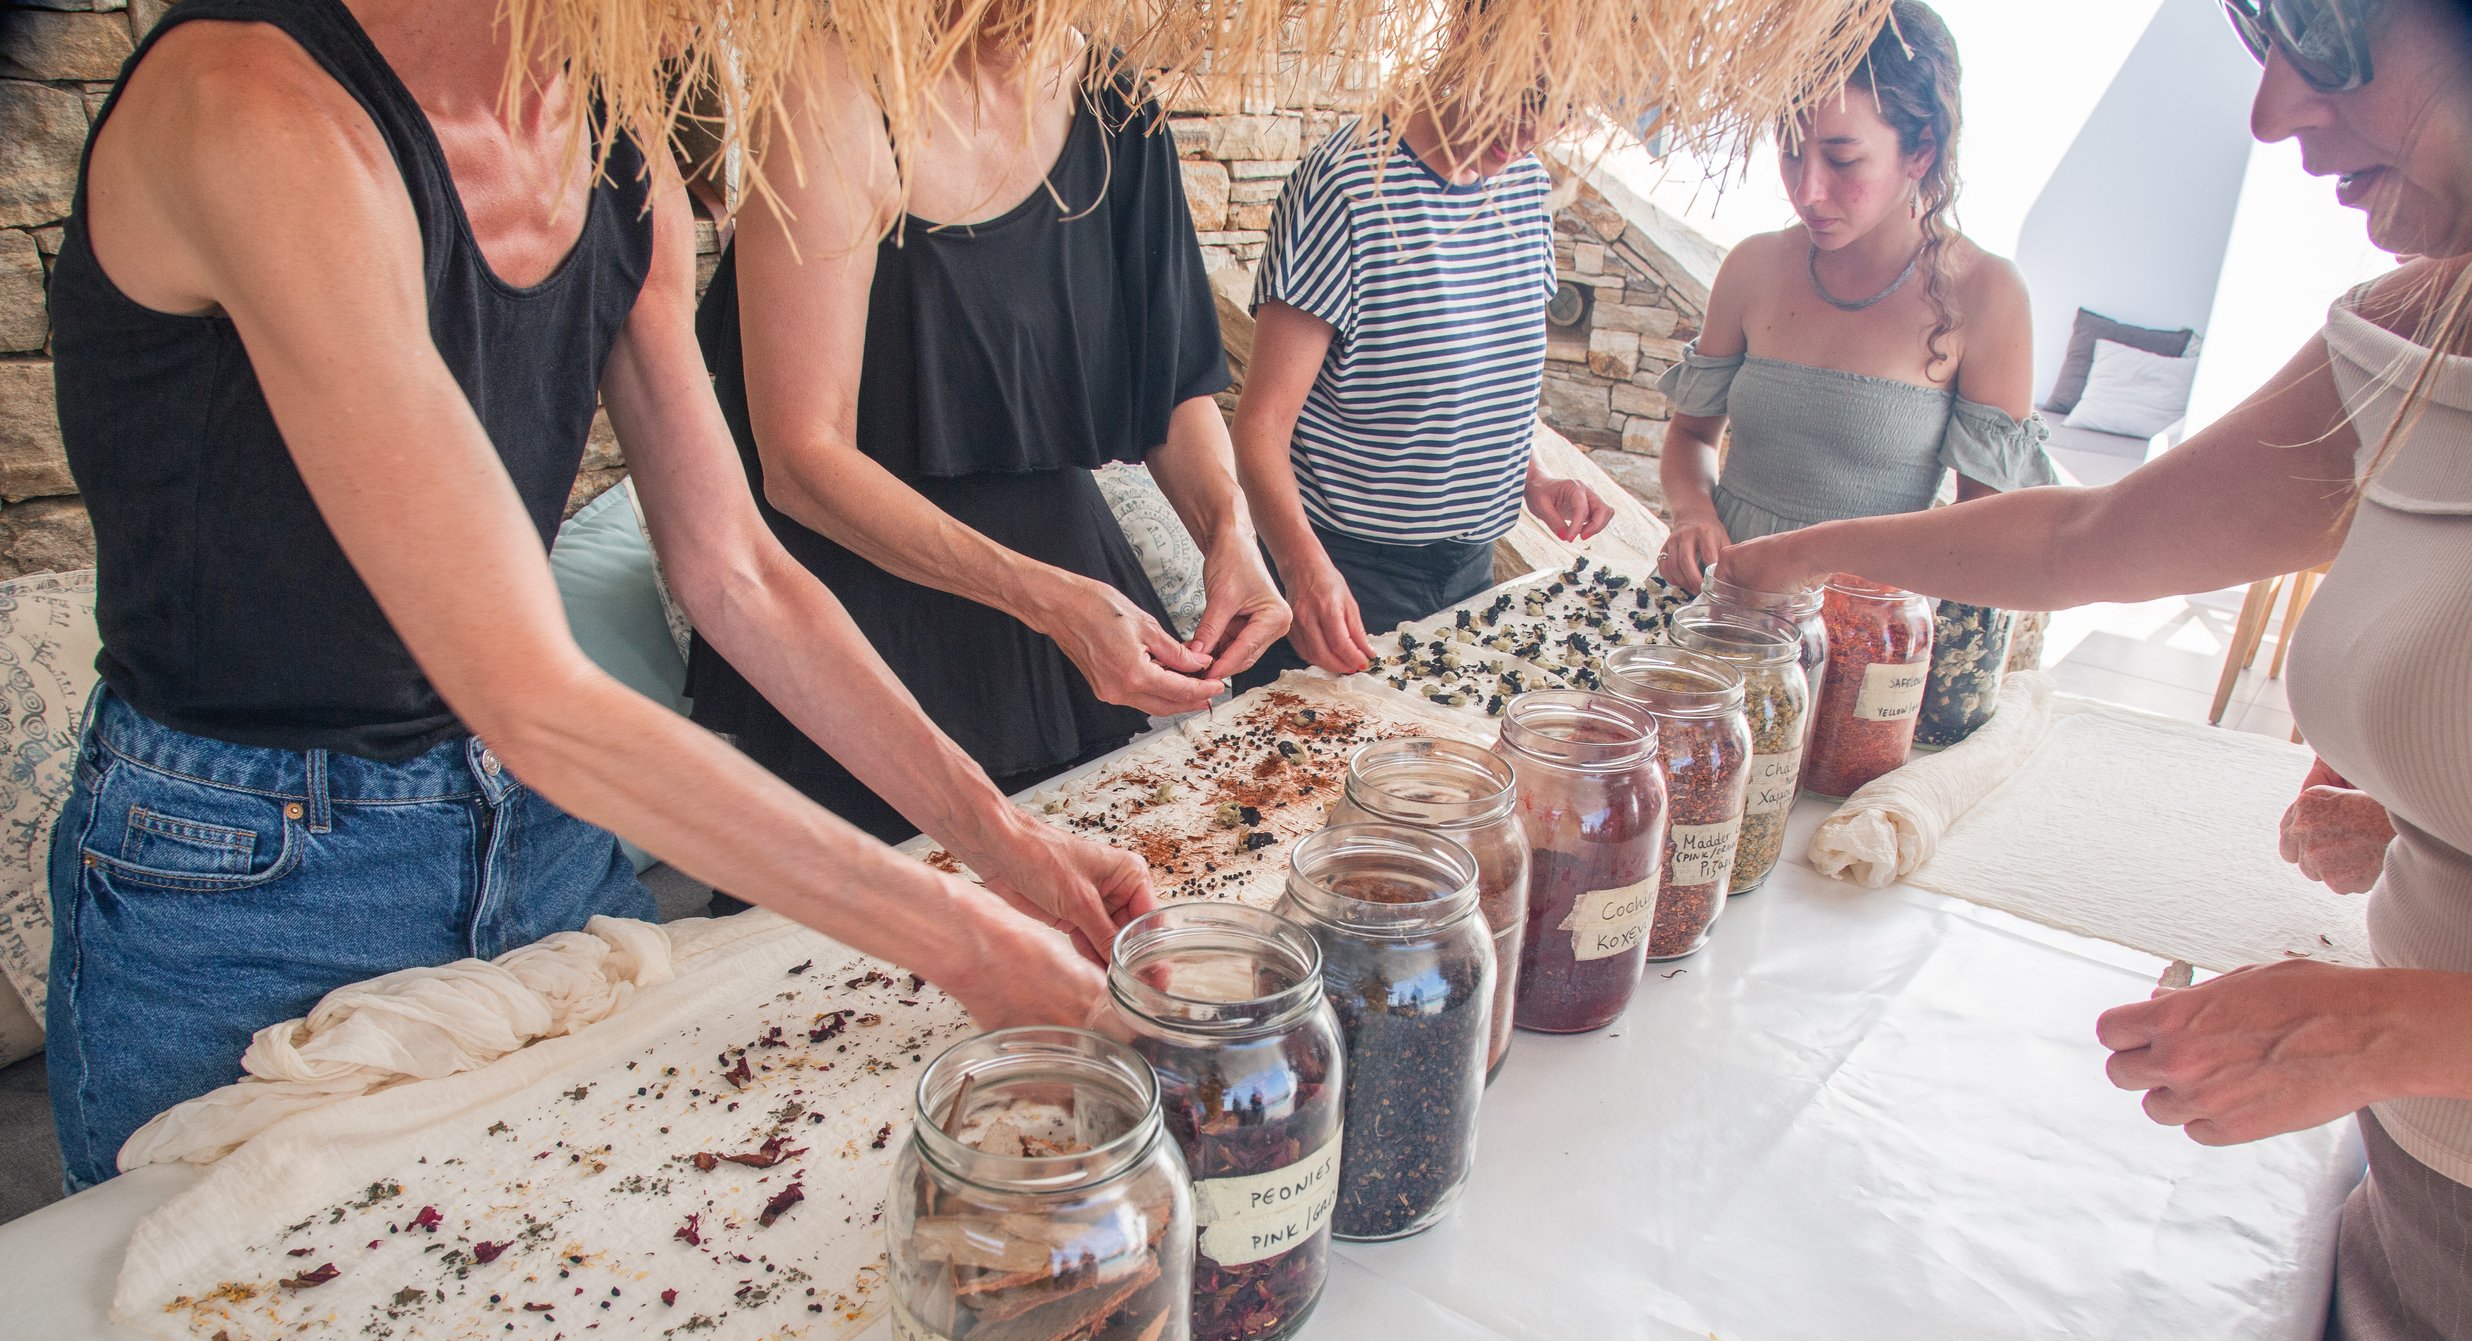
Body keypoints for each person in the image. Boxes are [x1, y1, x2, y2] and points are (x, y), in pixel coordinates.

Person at [41, 0, 1151, 1189]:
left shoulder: (620, 145)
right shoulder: (254, 109)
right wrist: (964, 942)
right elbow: (529, 688)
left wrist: (1002, 842)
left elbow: (739, 574)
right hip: (248, 875)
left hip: (541, 832)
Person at [1716, 1, 2472, 1341]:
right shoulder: (2429, 326)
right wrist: (1796, 558)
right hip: (2412, 1196)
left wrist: (2393, 1016)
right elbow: (2092, 531)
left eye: (2332, 31)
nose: (2276, 108)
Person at [687, 33, 1289, 847]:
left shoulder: (1116, 106)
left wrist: (1229, 532)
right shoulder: (831, 92)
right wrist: (1047, 599)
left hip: (1069, 655)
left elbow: (1175, 387)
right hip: (864, 646)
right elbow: (800, 458)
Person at [1653, 0, 2054, 595]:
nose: (1807, 190)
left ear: (1922, 149)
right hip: (1718, 602)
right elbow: (1691, 436)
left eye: (1842, 160)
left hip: (1865, 625)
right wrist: (1694, 513)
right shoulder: (1752, 266)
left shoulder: (1986, 294)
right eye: (1789, 149)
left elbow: (1987, 530)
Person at [1232, 60, 1617, 680]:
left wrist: (1533, 476)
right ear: (1474, 32)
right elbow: (1260, 427)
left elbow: (1487, 374)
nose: (1533, 129)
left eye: (1567, 108)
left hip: (1472, 575)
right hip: (1344, 579)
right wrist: (1304, 572)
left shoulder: (1527, 185)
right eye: (1532, 91)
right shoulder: (1345, 185)